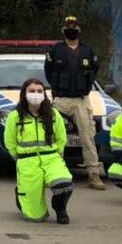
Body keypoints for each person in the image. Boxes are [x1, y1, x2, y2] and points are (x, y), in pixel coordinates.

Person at [44, 16, 106, 190]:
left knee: (87, 137)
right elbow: (48, 72)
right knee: (56, 137)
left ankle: (93, 175)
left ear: (79, 29)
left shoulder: (88, 51)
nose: (71, 29)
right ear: (63, 30)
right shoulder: (55, 51)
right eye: (68, 26)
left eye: (74, 26)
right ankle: (55, 173)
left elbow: (94, 70)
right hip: (61, 100)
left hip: (81, 100)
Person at [4, 79, 74, 224]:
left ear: (44, 94)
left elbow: (61, 138)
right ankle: (21, 195)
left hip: (52, 159)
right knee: (35, 217)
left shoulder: (54, 115)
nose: (35, 94)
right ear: (24, 94)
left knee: (64, 183)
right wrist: (19, 159)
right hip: (27, 162)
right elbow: (9, 141)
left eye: (39, 91)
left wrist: (58, 155)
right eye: (31, 91)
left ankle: (60, 209)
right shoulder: (15, 116)